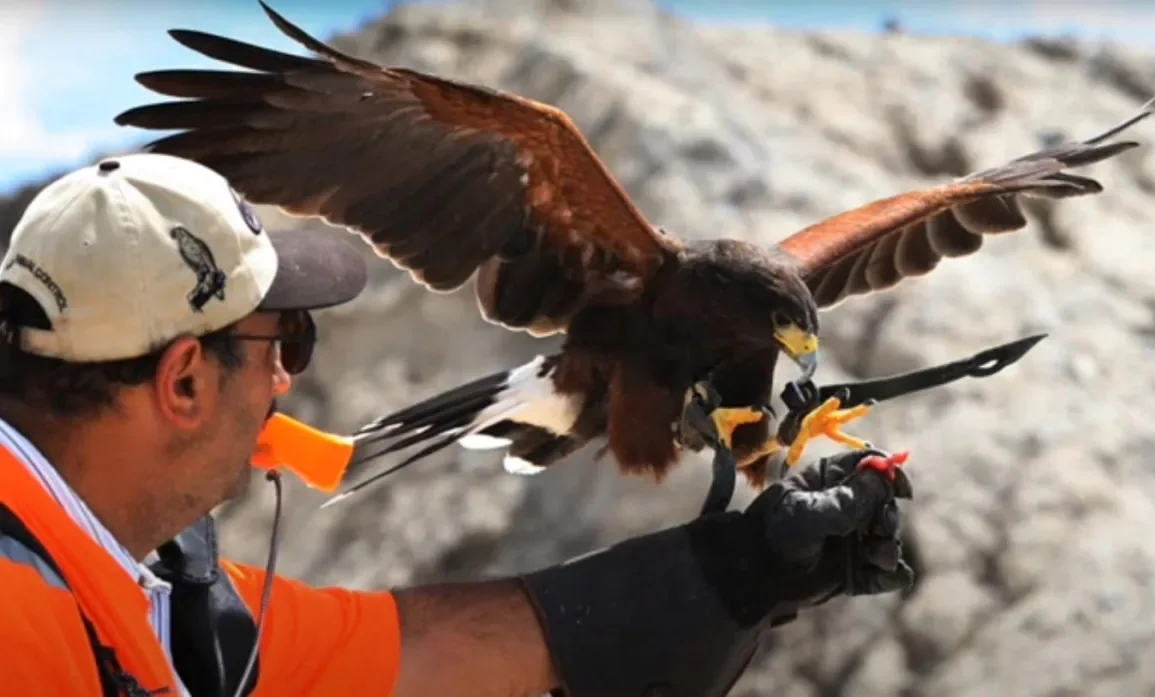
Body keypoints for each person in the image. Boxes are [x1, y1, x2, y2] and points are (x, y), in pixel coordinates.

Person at [0, 152, 914, 697]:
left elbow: (415, 656)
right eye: (287, 338)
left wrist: (736, 574)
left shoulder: (164, 596)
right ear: (185, 381)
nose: (288, 378)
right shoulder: (20, 628)